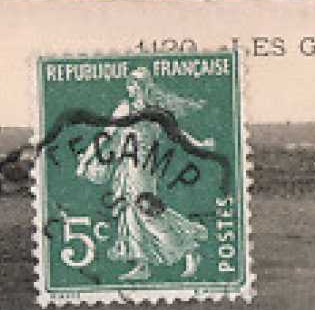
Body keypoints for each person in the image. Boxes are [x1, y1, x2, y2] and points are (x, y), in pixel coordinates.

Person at [74, 67, 212, 280]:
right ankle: (143, 265)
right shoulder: (123, 109)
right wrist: (86, 159)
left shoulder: (155, 112)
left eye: (137, 84)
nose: (132, 89)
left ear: (146, 86)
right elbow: (105, 136)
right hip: (125, 166)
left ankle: (189, 248)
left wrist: (199, 144)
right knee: (130, 213)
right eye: (130, 84)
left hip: (143, 168)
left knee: (146, 213)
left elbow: (177, 133)